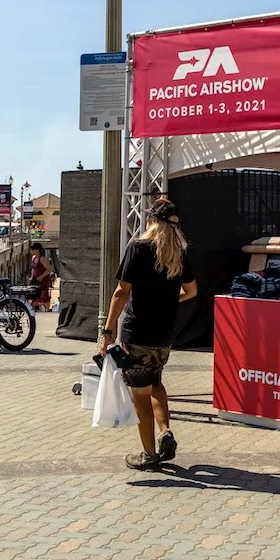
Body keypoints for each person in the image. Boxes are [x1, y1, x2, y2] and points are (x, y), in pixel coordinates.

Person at [103, 198, 197, 471]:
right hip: (165, 333)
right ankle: (165, 430)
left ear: (152, 221)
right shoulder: (180, 252)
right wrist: (168, 302)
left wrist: (107, 330)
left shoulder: (138, 248)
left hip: (138, 331)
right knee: (155, 382)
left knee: (140, 394)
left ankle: (148, 454)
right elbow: (191, 292)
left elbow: (121, 292)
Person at [29, 243, 54, 309]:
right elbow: (33, 268)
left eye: (33, 249)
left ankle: (45, 309)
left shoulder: (43, 259)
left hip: (43, 281)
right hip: (35, 280)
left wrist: (41, 276)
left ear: (37, 250)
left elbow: (49, 269)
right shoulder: (33, 258)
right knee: (34, 296)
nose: (32, 251)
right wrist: (31, 276)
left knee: (43, 297)